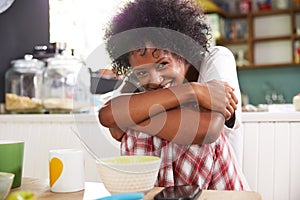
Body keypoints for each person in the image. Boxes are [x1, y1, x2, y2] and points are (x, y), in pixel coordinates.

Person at [98, 0, 248, 190]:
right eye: (142, 73)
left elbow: (207, 129)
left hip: (218, 189)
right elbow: (108, 116)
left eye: (163, 64)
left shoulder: (216, 59)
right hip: (165, 189)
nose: (154, 80)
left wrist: (131, 116)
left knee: (137, 129)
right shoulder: (141, 74)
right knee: (137, 133)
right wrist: (192, 91)